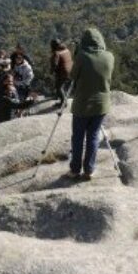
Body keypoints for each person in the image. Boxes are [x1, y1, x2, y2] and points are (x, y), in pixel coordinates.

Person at [68, 28, 115, 181]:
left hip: (82, 105)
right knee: (93, 137)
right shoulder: (109, 56)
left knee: (78, 138)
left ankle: (75, 170)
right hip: (101, 105)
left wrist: (76, 56)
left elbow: (72, 76)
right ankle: (89, 170)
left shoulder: (82, 56)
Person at [50, 39, 73, 106]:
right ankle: (59, 97)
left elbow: (55, 64)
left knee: (58, 87)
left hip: (63, 73)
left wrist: (51, 71)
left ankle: (63, 102)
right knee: (61, 86)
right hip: (70, 71)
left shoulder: (57, 53)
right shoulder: (67, 50)